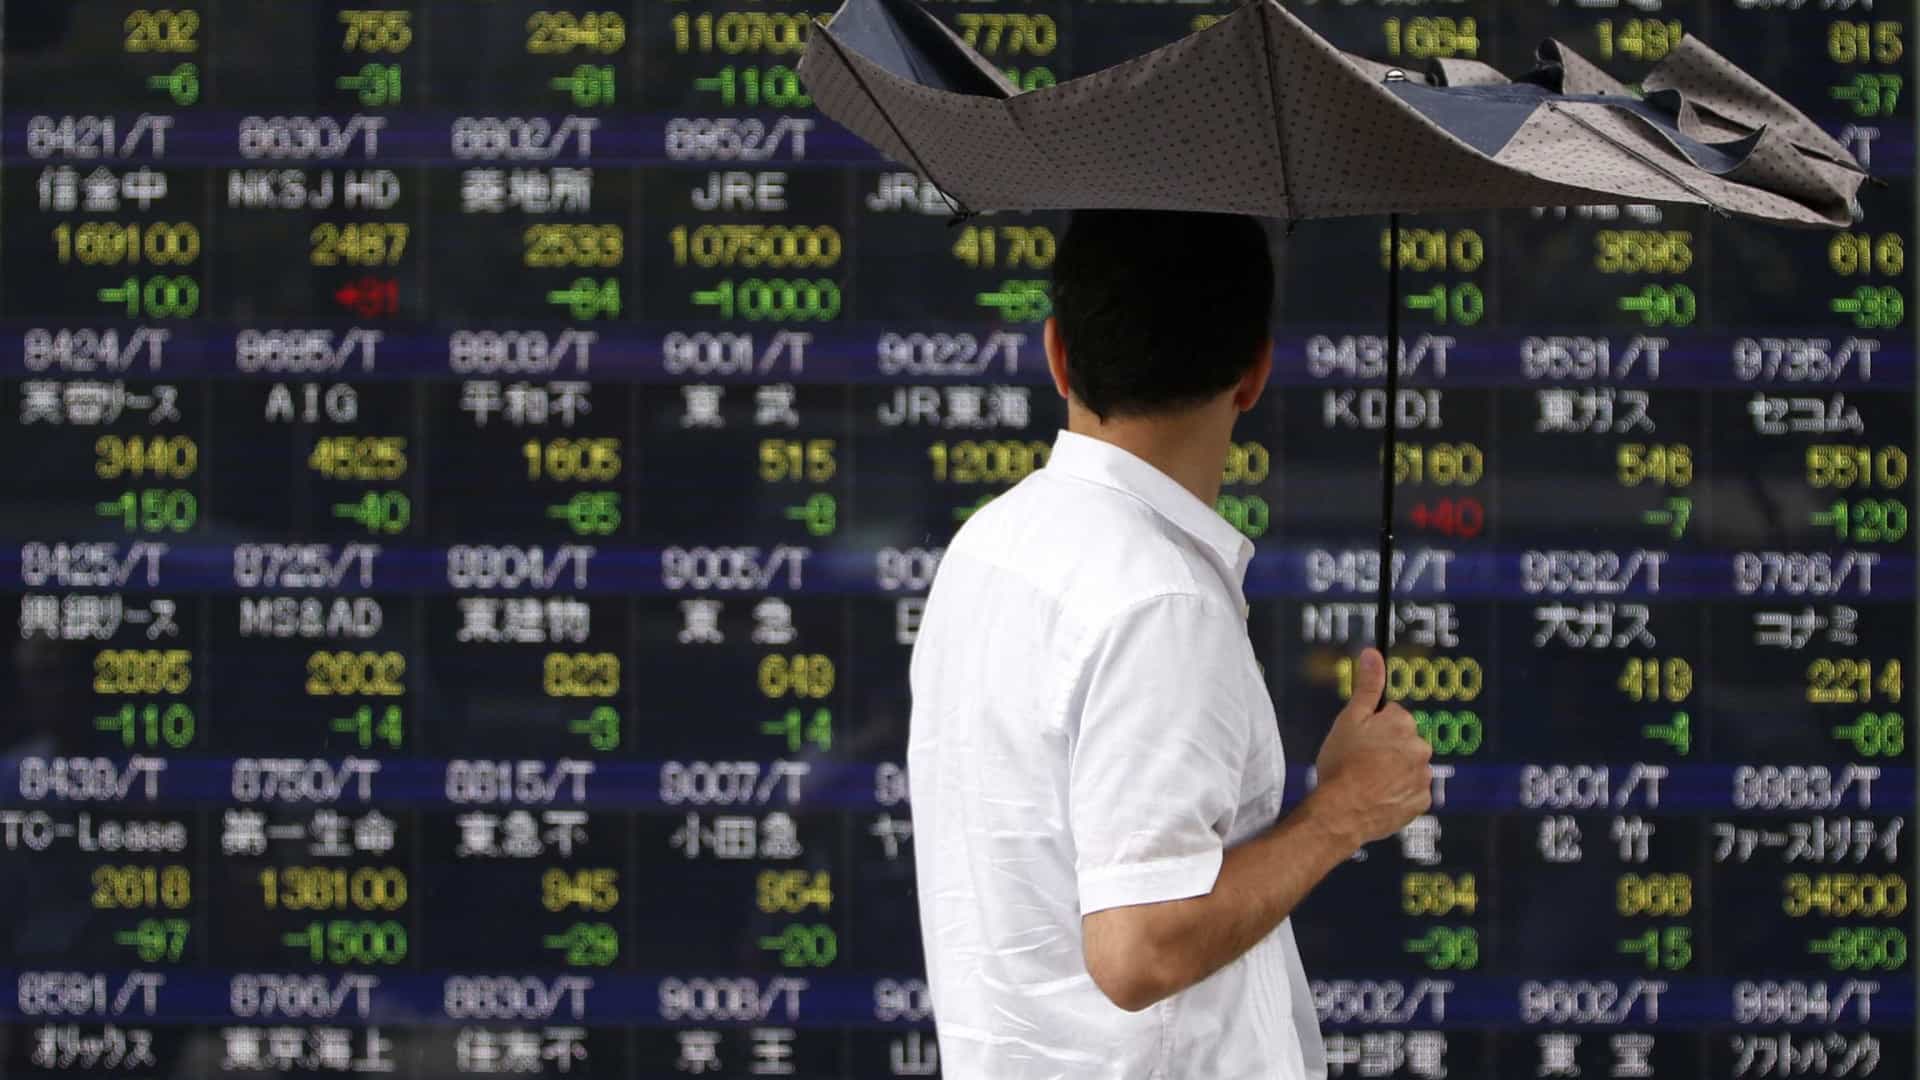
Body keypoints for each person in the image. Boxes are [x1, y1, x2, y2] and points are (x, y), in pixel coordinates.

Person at [906, 209, 1435, 1078]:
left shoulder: (987, 546)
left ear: (1057, 353)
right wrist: (1347, 808)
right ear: (1255, 372)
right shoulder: (1159, 600)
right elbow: (1139, 950)